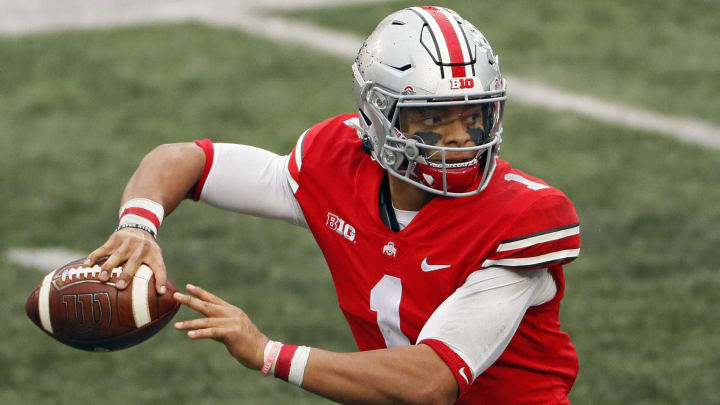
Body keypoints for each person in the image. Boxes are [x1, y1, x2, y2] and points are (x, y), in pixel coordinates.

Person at [85, 6, 581, 405]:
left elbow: (430, 382)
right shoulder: (336, 162)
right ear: (379, 119)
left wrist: (267, 352)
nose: (459, 138)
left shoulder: (522, 218)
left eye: (473, 115)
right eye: (434, 120)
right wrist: (138, 226)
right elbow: (189, 159)